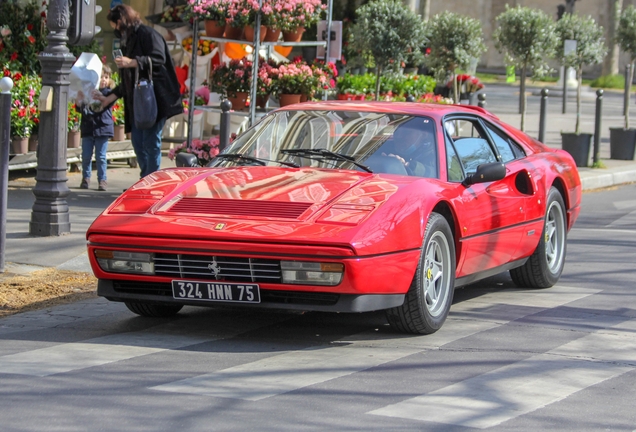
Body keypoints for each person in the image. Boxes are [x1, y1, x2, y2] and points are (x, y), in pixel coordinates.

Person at [93, 4, 183, 178]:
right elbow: (127, 79)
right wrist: (108, 98)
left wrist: (132, 62)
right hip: (137, 100)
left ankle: (150, 181)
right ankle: (146, 178)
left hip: (154, 98)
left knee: (150, 142)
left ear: (120, 21)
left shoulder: (148, 34)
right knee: (138, 143)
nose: (116, 31)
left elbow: (159, 58)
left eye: (115, 26)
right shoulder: (129, 39)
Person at [77, 65, 115, 191]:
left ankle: (102, 180)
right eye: (101, 77)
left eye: (106, 77)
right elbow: (80, 108)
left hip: (102, 127)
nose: (104, 80)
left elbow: (104, 106)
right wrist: (80, 101)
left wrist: (99, 97)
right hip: (88, 127)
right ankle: (86, 178)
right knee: (86, 155)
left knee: (101, 156)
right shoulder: (88, 91)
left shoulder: (109, 94)